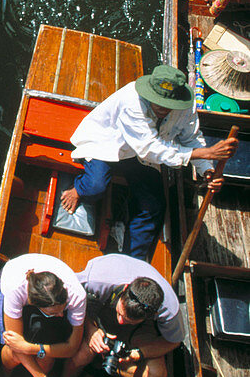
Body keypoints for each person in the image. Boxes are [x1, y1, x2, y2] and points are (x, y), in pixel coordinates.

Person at [59, 63, 237, 259]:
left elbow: (191, 139)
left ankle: (131, 260)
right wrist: (205, 153)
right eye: (158, 102)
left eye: (169, 106)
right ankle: (78, 188)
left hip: (142, 157)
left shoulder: (188, 106)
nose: (163, 109)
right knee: (94, 188)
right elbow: (150, 148)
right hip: (110, 145)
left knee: (154, 207)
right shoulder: (130, 100)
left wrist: (207, 171)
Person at [58, 253, 183, 377]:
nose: (121, 322)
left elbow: (174, 341)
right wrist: (90, 329)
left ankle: (98, 364)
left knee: (156, 376)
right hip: (99, 311)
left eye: (128, 320)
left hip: (141, 329)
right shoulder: (96, 279)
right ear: (124, 289)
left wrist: (140, 353)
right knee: (82, 355)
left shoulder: (169, 311)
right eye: (120, 314)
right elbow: (70, 301)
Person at [0, 252, 86, 377]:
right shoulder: (15, 288)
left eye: (63, 309)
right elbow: (14, 344)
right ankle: (4, 374)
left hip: (42, 307)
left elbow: (72, 348)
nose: (61, 316)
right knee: (12, 354)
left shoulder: (77, 295)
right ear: (34, 304)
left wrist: (32, 348)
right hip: (12, 291)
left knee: (47, 356)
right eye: (55, 313)